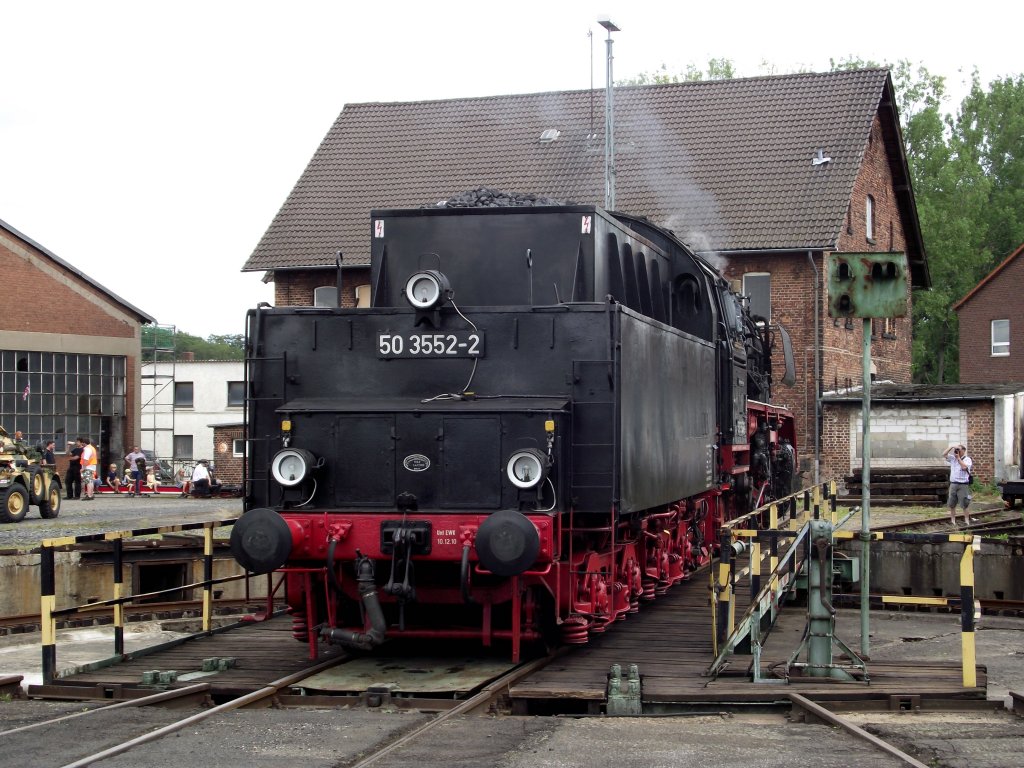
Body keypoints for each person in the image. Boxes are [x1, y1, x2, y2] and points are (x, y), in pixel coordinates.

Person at [943, 444, 973, 527]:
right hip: (953, 484)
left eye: (959, 450)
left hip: (963, 485)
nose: (957, 451)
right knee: (952, 503)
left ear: (963, 450)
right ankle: (953, 521)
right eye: (957, 450)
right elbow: (944, 454)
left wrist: (958, 458)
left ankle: (967, 521)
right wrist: (951, 447)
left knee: (964, 503)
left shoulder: (967, 459)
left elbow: (964, 467)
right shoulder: (953, 459)